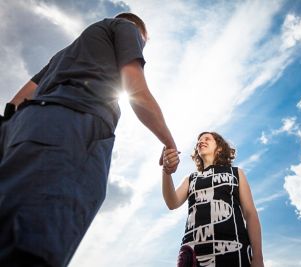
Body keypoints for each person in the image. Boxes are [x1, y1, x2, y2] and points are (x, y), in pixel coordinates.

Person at [0, 12, 178, 267]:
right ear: (140, 35)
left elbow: (15, 102)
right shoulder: (126, 27)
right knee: (34, 247)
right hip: (74, 127)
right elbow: (136, 90)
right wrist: (169, 143)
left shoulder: (63, 54)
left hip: (25, 130)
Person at [162, 132, 264, 267]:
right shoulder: (191, 178)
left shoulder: (235, 173)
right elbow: (172, 203)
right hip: (192, 253)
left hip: (233, 250)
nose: (201, 141)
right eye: (199, 140)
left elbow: (250, 214)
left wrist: (258, 256)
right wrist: (166, 171)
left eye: (207, 139)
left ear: (220, 148)